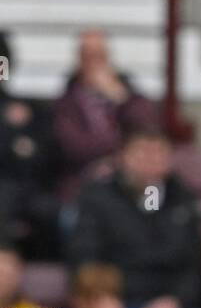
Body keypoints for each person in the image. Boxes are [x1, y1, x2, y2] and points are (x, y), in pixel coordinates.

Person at [67, 129, 201, 308]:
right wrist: (103, 299)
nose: (150, 160)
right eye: (142, 152)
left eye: (158, 153)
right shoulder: (98, 199)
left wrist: (176, 302)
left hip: (171, 305)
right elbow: (84, 255)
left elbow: (196, 266)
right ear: (122, 157)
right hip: (118, 300)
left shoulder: (183, 201)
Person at [52, 30, 159, 197]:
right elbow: (74, 147)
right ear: (79, 59)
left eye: (99, 56)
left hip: (128, 178)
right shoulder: (66, 102)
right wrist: (123, 149)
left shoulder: (129, 96)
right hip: (83, 181)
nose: (94, 63)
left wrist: (121, 97)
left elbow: (148, 131)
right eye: (88, 56)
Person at [0, 32, 60, 258]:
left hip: (27, 192)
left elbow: (43, 157)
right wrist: (12, 143)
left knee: (49, 211)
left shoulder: (29, 110)